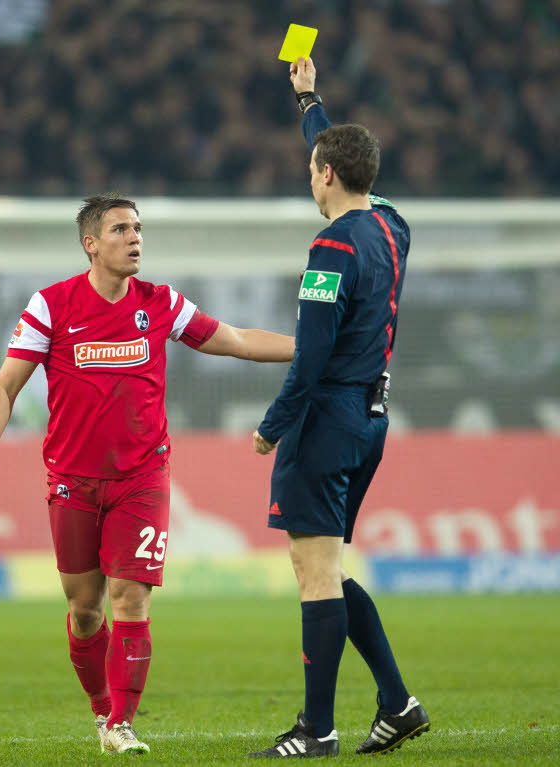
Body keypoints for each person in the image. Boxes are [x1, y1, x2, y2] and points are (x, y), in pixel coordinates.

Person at [0, 193, 296, 755]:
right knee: (85, 609)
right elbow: (5, 386)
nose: (135, 237)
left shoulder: (160, 302)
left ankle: (121, 723)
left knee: (130, 600)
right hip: (72, 479)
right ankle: (101, 713)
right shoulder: (51, 306)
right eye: (121, 228)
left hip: (142, 477)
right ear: (91, 243)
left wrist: (317, 351)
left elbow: (237, 341)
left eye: (139, 228)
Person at [247, 58, 430, 758]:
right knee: (328, 564)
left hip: (328, 419)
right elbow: (343, 159)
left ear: (323, 174)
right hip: (373, 418)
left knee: (313, 571)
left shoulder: (329, 249)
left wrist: (272, 425)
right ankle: (397, 703)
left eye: (314, 165)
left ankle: (315, 730)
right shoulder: (392, 226)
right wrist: (309, 102)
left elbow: (310, 358)